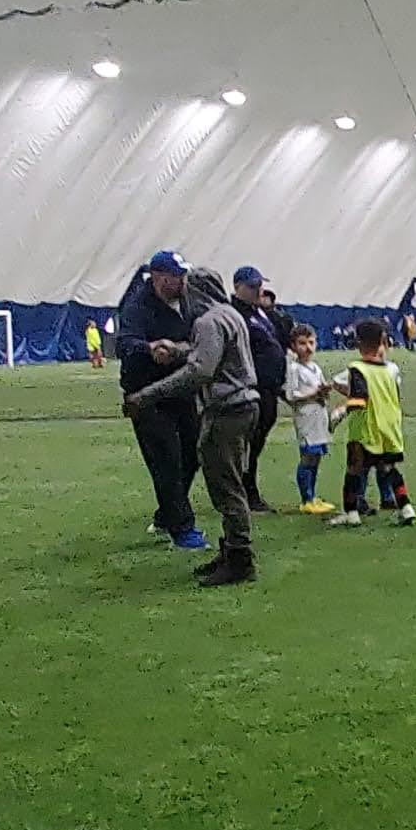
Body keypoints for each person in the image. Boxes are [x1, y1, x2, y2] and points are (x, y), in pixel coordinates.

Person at [121, 268, 261, 586]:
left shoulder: (207, 322)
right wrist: (179, 349)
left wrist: (146, 395)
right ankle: (231, 549)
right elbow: (211, 350)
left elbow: (200, 371)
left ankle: (240, 558)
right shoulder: (229, 314)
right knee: (229, 481)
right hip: (244, 405)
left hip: (226, 409)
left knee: (225, 487)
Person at [118, 251, 204, 549]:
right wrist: (149, 348)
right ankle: (183, 529)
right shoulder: (137, 305)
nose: (182, 281)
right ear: (159, 277)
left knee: (193, 453)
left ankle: (168, 513)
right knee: (166, 459)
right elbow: (124, 343)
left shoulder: (189, 303)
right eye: (176, 276)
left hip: (180, 390)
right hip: (147, 396)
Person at [327, 319, 416, 528]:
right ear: (382, 341)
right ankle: (406, 508)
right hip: (389, 427)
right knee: (389, 469)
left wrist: (341, 411)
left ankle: (351, 513)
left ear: (358, 343)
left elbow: (359, 399)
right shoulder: (390, 370)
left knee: (354, 469)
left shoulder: (357, 368)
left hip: (366, 428)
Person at [226, 267, 286, 513]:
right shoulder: (235, 314)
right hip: (253, 387)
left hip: (270, 387)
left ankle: (245, 488)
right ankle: (245, 490)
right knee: (248, 444)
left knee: (257, 442)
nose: (258, 291)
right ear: (237, 287)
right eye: (252, 286)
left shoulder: (260, 312)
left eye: (259, 286)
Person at [283, 324, 335, 514]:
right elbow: (291, 394)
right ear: (293, 346)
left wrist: (325, 390)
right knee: (307, 457)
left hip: (318, 417)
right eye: (302, 343)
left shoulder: (315, 368)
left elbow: (320, 389)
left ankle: (313, 496)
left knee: (316, 458)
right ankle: (306, 499)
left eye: (311, 343)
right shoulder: (294, 369)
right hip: (305, 418)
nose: (308, 348)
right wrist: (313, 393)